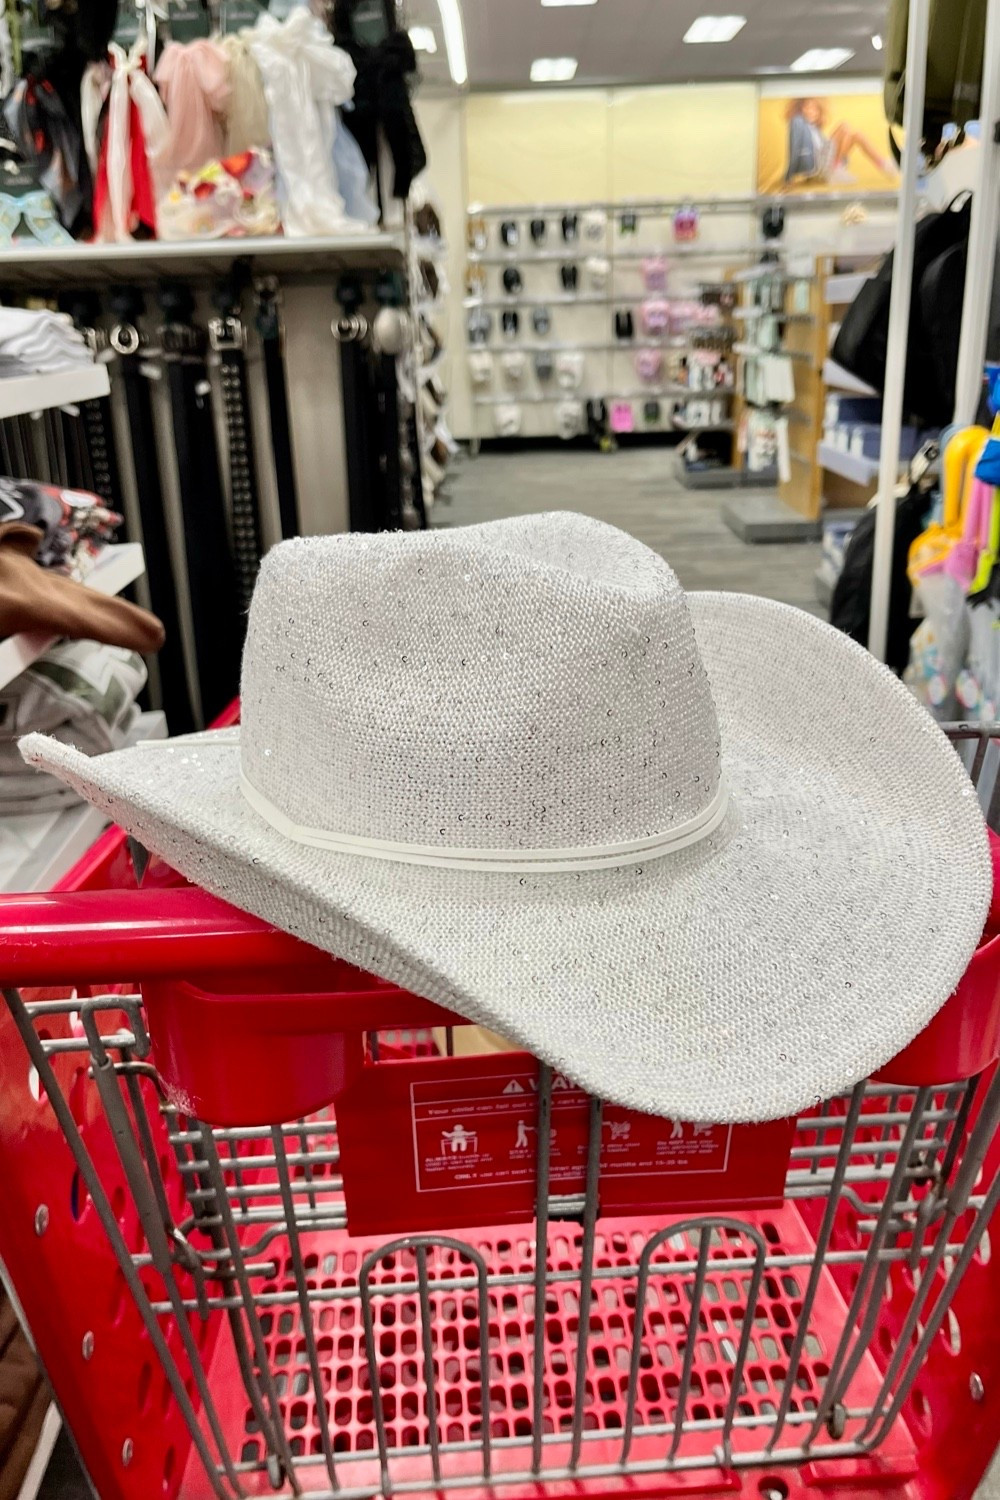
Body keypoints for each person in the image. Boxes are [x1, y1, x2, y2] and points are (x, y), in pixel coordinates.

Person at [784, 97, 893, 186]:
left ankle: (882, 164)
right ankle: (836, 169)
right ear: (801, 109)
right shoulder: (797, 122)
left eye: (815, 109)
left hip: (824, 160)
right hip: (818, 165)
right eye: (807, 107)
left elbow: (823, 145)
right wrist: (788, 176)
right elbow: (795, 148)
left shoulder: (814, 128)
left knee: (856, 134)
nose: (811, 112)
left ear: (819, 111)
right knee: (844, 126)